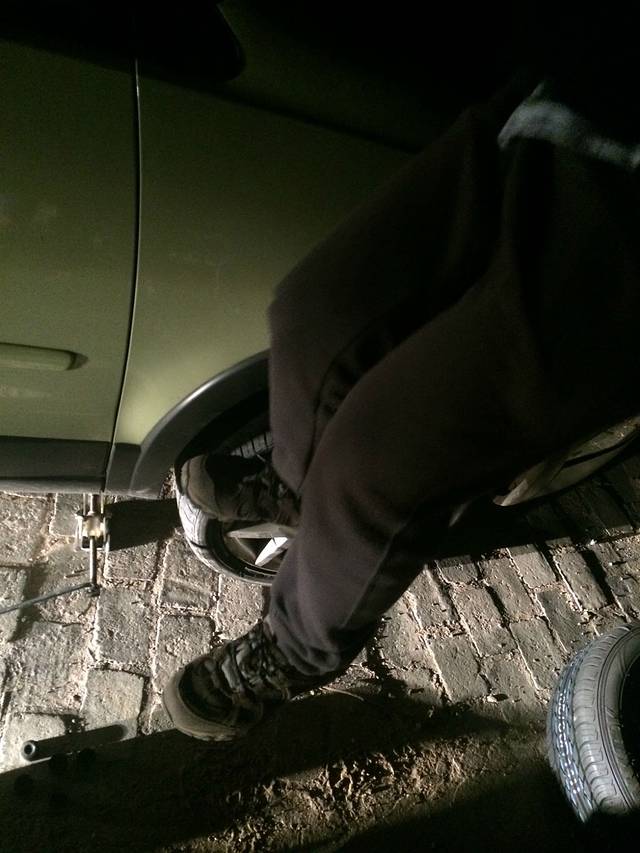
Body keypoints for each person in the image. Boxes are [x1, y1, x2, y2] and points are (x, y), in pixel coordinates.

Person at [163, 37, 640, 741]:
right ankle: (298, 491)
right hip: (554, 111)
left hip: (621, 227)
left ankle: (295, 649)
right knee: (311, 312)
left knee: (375, 463)